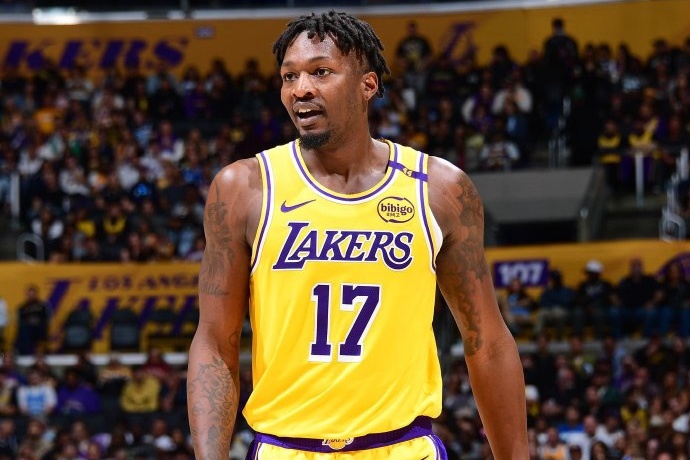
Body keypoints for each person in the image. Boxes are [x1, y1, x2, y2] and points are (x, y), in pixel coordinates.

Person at [187, 10, 527, 460]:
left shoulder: (439, 189)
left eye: (320, 72)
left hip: (402, 448)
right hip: (285, 448)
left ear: (368, 85)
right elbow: (215, 342)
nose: (300, 89)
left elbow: (487, 342)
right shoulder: (244, 188)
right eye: (289, 76)